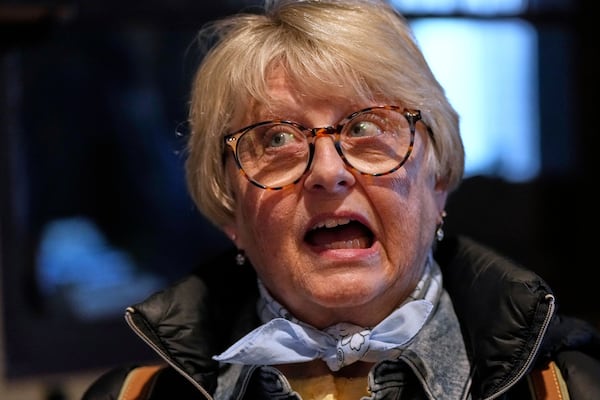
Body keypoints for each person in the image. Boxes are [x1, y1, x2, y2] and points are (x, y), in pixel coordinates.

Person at [82, 0, 600, 399]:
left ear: (437, 176)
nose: (328, 173)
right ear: (228, 207)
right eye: (277, 139)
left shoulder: (568, 388)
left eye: (367, 127)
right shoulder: (134, 396)